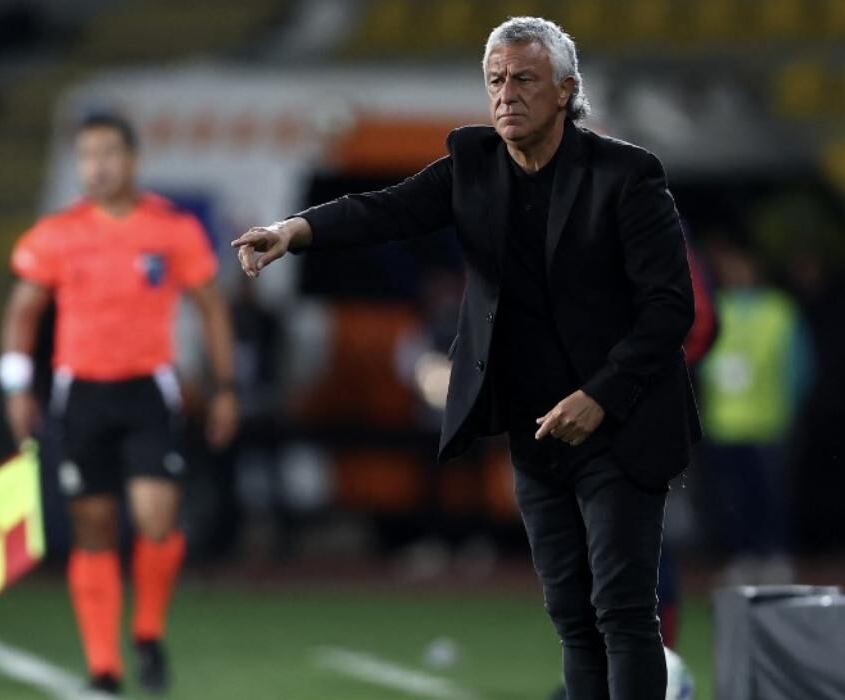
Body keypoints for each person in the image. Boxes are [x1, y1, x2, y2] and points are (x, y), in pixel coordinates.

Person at [233, 16, 698, 700]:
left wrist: (599, 393)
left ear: (566, 90)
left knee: (623, 613)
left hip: (620, 425)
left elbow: (670, 309)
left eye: (525, 80)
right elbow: (386, 210)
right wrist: (293, 231)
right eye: (496, 81)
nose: (506, 94)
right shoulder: (474, 166)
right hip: (536, 430)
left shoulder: (626, 176)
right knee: (572, 619)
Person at [0, 113, 238, 694]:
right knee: (94, 529)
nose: (96, 167)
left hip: (147, 392)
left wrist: (225, 388)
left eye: (106, 154)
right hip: (80, 393)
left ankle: (148, 633)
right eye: (85, 156)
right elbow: (21, 311)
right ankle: (103, 667)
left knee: (156, 522)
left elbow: (210, 307)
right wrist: (15, 385)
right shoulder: (58, 232)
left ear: (131, 160)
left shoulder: (170, 229)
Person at [699, 238, 812, 584]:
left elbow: (800, 364)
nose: (736, 274)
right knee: (732, 498)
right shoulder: (714, 306)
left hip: (767, 421)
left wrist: (790, 405)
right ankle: (743, 557)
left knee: (771, 496)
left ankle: (775, 555)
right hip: (724, 422)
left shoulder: (778, 310)